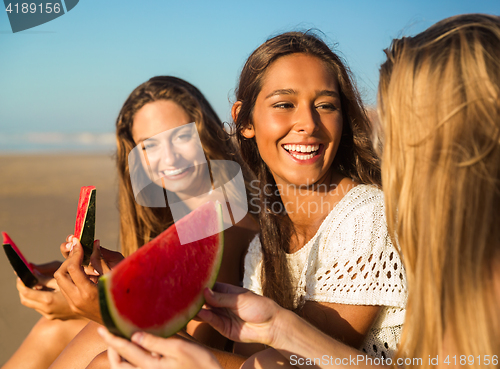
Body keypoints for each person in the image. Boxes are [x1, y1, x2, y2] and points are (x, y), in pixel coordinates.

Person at [102, 13, 500, 369]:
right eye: (283, 105)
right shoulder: (263, 247)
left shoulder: (368, 220)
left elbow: (296, 365)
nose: (307, 123)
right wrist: (279, 326)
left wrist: (105, 313)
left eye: (326, 105)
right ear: (243, 121)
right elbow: (258, 358)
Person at [3, 76, 258, 369]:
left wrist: (91, 309)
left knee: (95, 344)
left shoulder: (216, 218)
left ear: (206, 134)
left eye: (181, 137)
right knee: (52, 329)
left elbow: (203, 342)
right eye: (150, 146)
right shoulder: (193, 206)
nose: (170, 158)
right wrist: (113, 280)